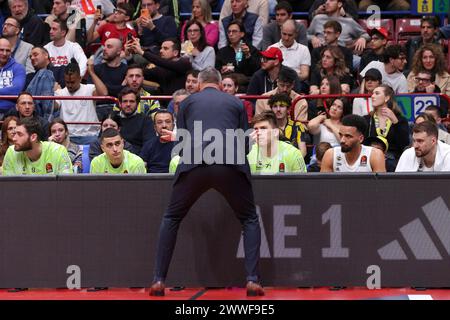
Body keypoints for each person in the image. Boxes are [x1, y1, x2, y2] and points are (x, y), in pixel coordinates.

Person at [149, 67, 264, 297]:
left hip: (194, 163)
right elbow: (243, 145)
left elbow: (180, 143)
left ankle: (159, 281)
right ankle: (252, 280)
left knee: (172, 217)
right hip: (230, 164)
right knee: (250, 219)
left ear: (199, 84)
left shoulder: (188, 102)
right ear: (221, 85)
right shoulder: (236, 103)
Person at [54, 59, 107, 145]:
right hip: (68, 137)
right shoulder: (60, 92)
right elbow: (53, 106)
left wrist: (91, 72)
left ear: (80, 78)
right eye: (67, 82)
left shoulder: (89, 89)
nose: (70, 85)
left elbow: (104, 93)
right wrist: (49, 91)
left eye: (72, 82)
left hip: (89, 136)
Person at [2, 117, 73, 175]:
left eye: (20, 134)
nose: (14, 138)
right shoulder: (11, 152)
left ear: (33, 137)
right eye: (15, 134)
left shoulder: (58, 151)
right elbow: (8, 188)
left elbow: (66, 186)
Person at [364, 84, 410, 172]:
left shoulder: (400, 119)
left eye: (377, 93)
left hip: (392, 160)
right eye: (372, 93)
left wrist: (395, 122)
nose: (372, 96)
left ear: (387, 98)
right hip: (370, 158)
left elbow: (404, 144)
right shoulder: (367, 119)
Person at [321, 114, 386, 172]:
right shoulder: (330, 155)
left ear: (361, 138)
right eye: (340, 135)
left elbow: (380, 185)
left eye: (348, 136)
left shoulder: (375, 155)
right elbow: (324, 185)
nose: (342, 140)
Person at [127, 38, 192, 95]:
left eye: (165, 49)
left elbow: (164, 63)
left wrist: (142, 52)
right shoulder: (159, 69)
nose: (161, 51)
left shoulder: (184, 64)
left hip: (183, 104)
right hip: (164, 106)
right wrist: (127, 56)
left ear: (175, 53)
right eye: (161, 48)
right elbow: (139, 72)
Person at [215, 20, 261, 91]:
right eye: (229, 32)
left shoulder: (252, 50)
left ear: (242, 34)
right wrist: (222, 70)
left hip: (247, 86)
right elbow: (217, 72)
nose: (230, 34)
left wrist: (248, 55)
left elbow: (256, 71)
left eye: (234, 31)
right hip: (226, 87)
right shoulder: (222, 52)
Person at [44, 19, 88, 87]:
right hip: (50, 82)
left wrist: (78, 77)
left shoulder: (74, 46)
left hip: (69, 81)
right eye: (50, 29)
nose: (50, 31)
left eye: (54, 29)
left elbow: (83, 61)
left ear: (63, 33)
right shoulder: (46, 48)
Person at [113, 87, 155, 154]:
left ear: (137, 104)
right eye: (125, 101)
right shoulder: (112, 119)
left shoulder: (146, 120)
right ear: (120, 104)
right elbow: (101, 141)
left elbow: (148, 145)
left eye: (132, 101)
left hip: (137, 159)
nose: (128, 104)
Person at [25, 47, 56, 120]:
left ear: (46, 55)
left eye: (35, 55)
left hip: (54, 111)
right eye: (30, 57)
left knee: (45, 72)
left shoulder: (59, 70)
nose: (32, 58)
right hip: (33, 109)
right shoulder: (29, 77)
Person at [0, 38, 26, 118]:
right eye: (1, 50)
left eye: (7, 50)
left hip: (9, 112)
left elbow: (16, 90)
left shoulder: (18, 68)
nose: (4, 53)